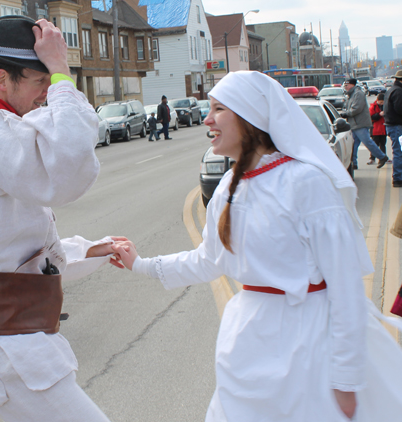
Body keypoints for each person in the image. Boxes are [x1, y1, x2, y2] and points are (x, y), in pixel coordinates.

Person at [113, 71, 402, 422]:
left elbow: (345, 288)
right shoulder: (226, 189)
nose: (207, 119)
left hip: (309, 345)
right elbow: (208, 260)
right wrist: (140, 263)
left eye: (219, 109)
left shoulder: (306, 183)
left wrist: (344, 376)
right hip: (248, 346)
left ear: (249, 116)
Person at [0, 16, 127, 421]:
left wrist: (90, 250)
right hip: (10, 343)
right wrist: (61, 71)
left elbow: (23, 247)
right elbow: (68, 168)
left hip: (16, 340)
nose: (47, 93)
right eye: (39, 80)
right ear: (3, 79)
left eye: (49, 81)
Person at [343, 78, 389, 169]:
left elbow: (356, 109)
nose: (345, 87)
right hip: (354, 124)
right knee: (354, 145)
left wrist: (346, 113)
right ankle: (353, 163)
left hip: (360, 123)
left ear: (352, 85)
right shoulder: (351, 94)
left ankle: (382, 157)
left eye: (346, 85)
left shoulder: (358, 94)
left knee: (367, 142)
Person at [384, 70, 402, 187]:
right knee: (398, 152)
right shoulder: (399, 91)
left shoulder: (392, 90)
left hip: (392, 125)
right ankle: (398, 178)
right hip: (397, 125)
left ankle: (398, 176)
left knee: (397, 151)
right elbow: (399, 109)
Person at [367, 93, 388, 165]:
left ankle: (383, 157)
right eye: (381, 102)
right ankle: (372, 158)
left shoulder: (386, 106)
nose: (382, 103)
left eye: (383, 102)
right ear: (377, 100)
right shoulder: (373, 107)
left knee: (383, 144)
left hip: (383, 128)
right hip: (375, 128)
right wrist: (379, 114)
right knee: (375, 144)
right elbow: (371, 118)